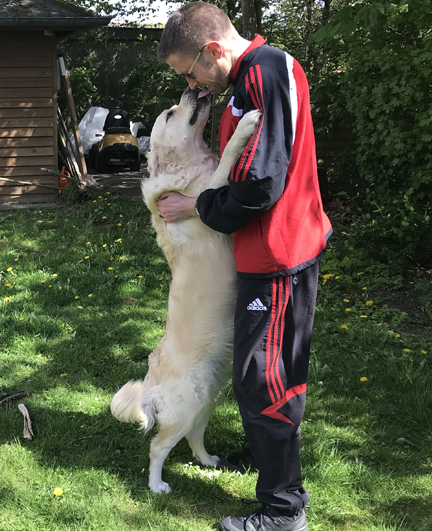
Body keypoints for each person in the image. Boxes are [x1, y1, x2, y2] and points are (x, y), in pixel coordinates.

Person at [155, 3, 332, 531]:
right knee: (260, 373)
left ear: (213, 51)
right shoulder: (248, 81)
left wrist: (197, 207)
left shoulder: (265, 72)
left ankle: (283, 511)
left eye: (190, 73)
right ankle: (269, 465)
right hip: (262, 253)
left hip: (279, 255)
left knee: (264, 379)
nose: (193, 85)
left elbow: (260, 185)